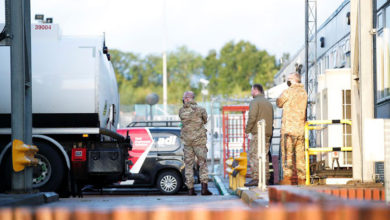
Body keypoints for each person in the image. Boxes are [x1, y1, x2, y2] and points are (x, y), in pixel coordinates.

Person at [276, 72, 308, 185]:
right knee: (300, 156)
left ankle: (287, 179)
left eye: (289, 79)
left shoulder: (288, 92)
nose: (287, 81)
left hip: (288, 129)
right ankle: (302, 179)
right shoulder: (304, 93)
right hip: (300, 129)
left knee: (287, 155)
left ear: (293, 80)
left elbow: (278, 103)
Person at [179, 91, 212, 196]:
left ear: (187, 98)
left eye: (184, 98)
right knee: (202, 164)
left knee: (188, 165)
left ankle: (190, 189)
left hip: (187, 142)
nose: (183, 99)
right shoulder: (201, 109)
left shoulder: (181, 111)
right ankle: (204, 189)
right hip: (199, 142)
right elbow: (205, 120)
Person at [244, 84, 274, 187]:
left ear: (256, 90)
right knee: (264, 155)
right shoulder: (269, 103)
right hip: (267, 133)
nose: (251, 93)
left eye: (252, 91)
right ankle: (265, 178)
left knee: (254, 155)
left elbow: (252, 117)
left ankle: (256, 178)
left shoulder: (254, 102)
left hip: (257, 132)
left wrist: (247, 130)